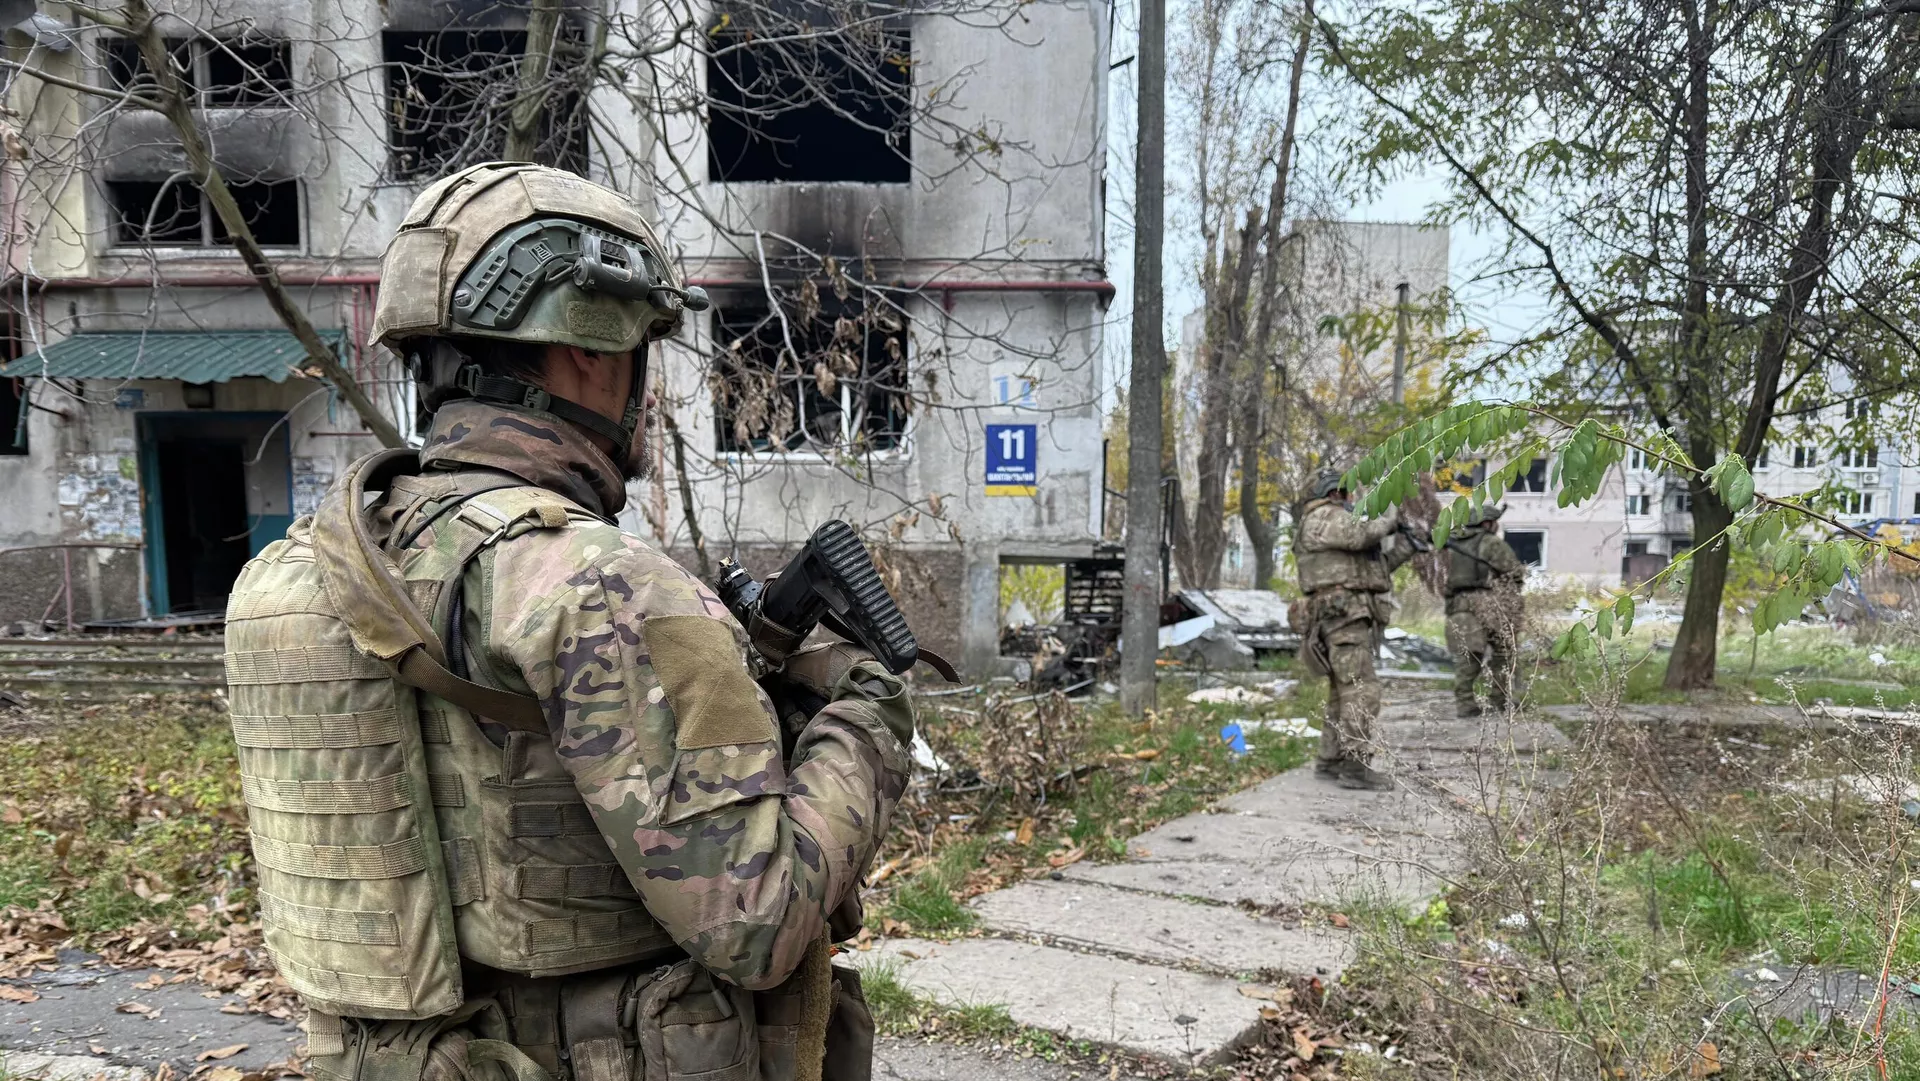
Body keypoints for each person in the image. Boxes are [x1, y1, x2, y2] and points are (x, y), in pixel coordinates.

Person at [278, 163, 913, 1081]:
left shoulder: (312, 565)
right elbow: (756, 922)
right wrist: (867, 719)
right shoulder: (597, 583)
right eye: (644, 343)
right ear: (591, 347)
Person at [1292, 467, 1415, 790]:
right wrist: (1390, 517)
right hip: (1342, 617)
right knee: (1362, 689)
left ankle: (1330, 761)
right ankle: (1355, 767)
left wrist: (1409, 545)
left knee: (1342, 691)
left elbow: (1374, 572)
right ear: (1335, 493)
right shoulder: (1323, 517)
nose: (1352, 501)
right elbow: (1361, 534)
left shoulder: (1329, 525)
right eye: (1349, 494)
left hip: (1346, 615)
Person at [1443, 503, 1528, 718]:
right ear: (1487, 523)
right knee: (1503, 653)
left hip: (1460, 606)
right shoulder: (1491, 543)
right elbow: (1514, 573)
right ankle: (1499, 700)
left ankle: (1465, 704)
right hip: (1491, 604)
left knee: (1468, 657)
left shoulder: (1450, 545)